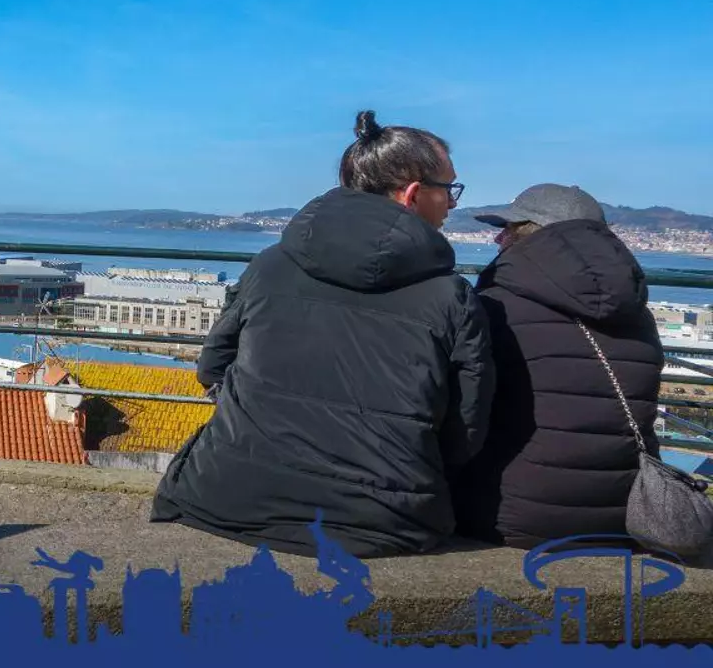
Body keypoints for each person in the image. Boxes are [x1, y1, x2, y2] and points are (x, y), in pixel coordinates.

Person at [150, 110, 496, 558]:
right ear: (413, 194)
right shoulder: (452, 297)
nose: (452, 203)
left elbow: (212, 368)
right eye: (449, 189)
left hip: (225, 498)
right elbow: (465, 430)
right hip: (383, 523)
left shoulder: (271, 265)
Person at [452, 185, 663, 549]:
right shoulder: (637, 314)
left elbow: (465, 414)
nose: (498, 238)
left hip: (512, 516)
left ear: (532, 235)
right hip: (625, 516)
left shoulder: (495, 306)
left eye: (508, 228)